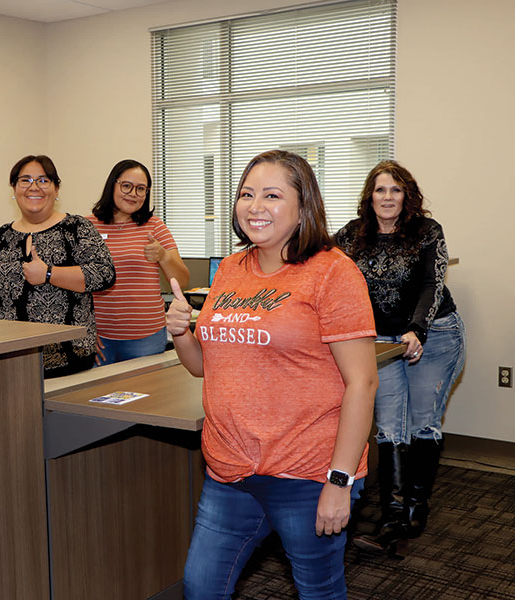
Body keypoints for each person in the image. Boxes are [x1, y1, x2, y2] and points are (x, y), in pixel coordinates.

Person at [167, 150, 378, 599]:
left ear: (304, 206)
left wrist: (339, 480)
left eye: (272, 195)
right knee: (201, 587)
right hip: (230, 469)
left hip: (307, 473)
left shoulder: (332, 272)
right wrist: (182, 332)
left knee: (319, 591)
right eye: (246, 194)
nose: (255, 206)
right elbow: (204, 366)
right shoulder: (230, 269)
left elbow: (363, 382)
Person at [335, 160, 466, 554]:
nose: (387, 197)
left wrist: (418, 329)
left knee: (423, 422)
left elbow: (432, 284)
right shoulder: (352, 235)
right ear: (369, 196)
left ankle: (416, 509)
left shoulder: (427, 231)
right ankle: (392, 516)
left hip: (434, 333)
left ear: (407, 196)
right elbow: (317, 261)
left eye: (395, 190)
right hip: (381, 340)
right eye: (380, 189)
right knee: (390, 424)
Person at [0, 155, 115, 378]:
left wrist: (49, 274)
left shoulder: (76, 228)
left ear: (56, 189)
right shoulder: (1, 236)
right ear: (14, 189)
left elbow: (105, 274)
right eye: (25, 180)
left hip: (70, 360)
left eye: (43, 180)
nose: (34, 187)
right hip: (12, 361)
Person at [87, 159, 189, 365]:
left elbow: (183, 279)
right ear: (112, 185)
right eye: (126, 186)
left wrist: (163, 256)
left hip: (147, 337)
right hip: (100, 337)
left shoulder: (155, 226)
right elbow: (73, 284)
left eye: (141, 189)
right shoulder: (88, 226)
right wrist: (86, 330)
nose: (133, 194)